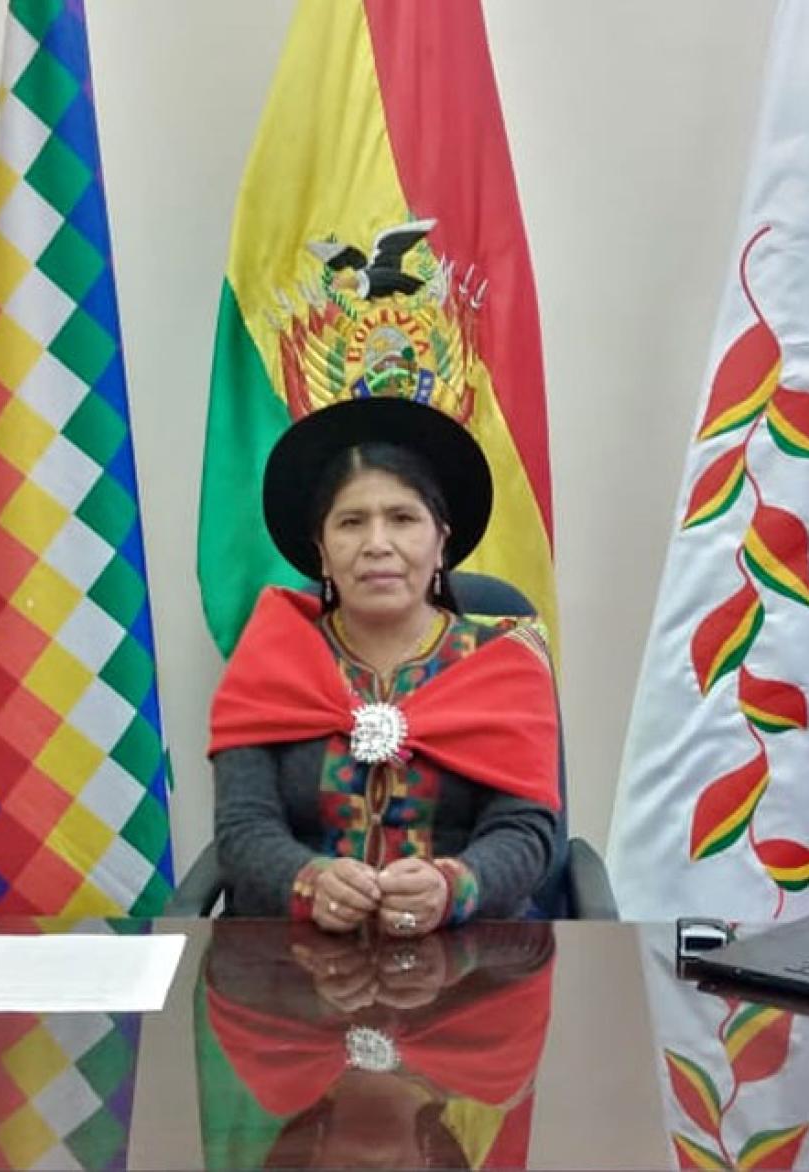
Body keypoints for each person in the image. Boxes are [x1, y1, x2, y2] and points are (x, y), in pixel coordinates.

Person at [208, 395, 560, 936]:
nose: (377, 544)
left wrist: (451, 887)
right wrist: (310, 881)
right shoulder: (270, 660)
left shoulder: (505, 665)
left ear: (441, 544)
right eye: (351, 522)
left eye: (402, 519)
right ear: (322, 552)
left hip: (468, 950)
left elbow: (525, 831)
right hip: (292, 951)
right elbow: (243, 827)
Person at [198, 919, 556, 1170]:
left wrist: (314, 963)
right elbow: (530, 941)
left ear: (310, 1162)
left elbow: (232, 947)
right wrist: (457, 956)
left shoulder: (273, 1063)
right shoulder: (495, 1077)